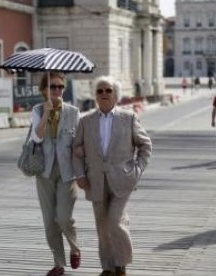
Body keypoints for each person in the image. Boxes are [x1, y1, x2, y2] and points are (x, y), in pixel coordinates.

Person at [73, 76, 152, 276]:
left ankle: (122, 263)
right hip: (95, 181)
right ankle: (108, 267)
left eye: (108, 90)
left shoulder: (129, 118)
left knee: (114, 220)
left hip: (123, 179)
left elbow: (145, 146)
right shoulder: (85, 121)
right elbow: (75, 151)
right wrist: (80, 174)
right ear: (95, 96)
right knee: (102, 225)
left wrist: (137, 170)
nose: (104, 94)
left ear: (115, 94)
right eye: (100, 91)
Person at [30, 72, 81, 276]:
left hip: (67, 171)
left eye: (60, 87)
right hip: (44, 171)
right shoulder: (36, 110)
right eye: (53, 87)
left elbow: (79, 142)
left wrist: (83, 170)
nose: (57, 91)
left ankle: (75, 248)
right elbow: (37, 137)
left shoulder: (74, 112)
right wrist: (45, 114)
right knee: (50, 221)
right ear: (44, 90)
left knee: (63, 218)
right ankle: (59, 264)